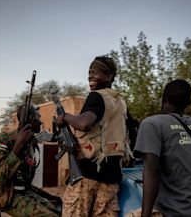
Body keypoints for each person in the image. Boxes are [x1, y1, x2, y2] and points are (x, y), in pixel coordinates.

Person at [56, 55, 137, 217]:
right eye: (89, 73)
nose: (90, 76)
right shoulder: (121, 104)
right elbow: (134, 131)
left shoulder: (97, 96)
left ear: (109, 77)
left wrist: (65, 117)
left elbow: (84, 123)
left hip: (87, 177)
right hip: (111, 181)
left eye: (95, 73)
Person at [134, 79, 191, 217]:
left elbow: (152, 171)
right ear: (188, 104)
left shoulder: (152, 124)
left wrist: (145, 215)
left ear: (164, 99)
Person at [0, 105, 61, 217]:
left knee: (59, 209)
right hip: (3, 194)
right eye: (38, 117)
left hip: (22, 191)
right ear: (31, 118)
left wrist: (50, 197)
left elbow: (24, 182)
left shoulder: (31, 142)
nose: (41, 122)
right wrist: (17, 147)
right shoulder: (5, 140)